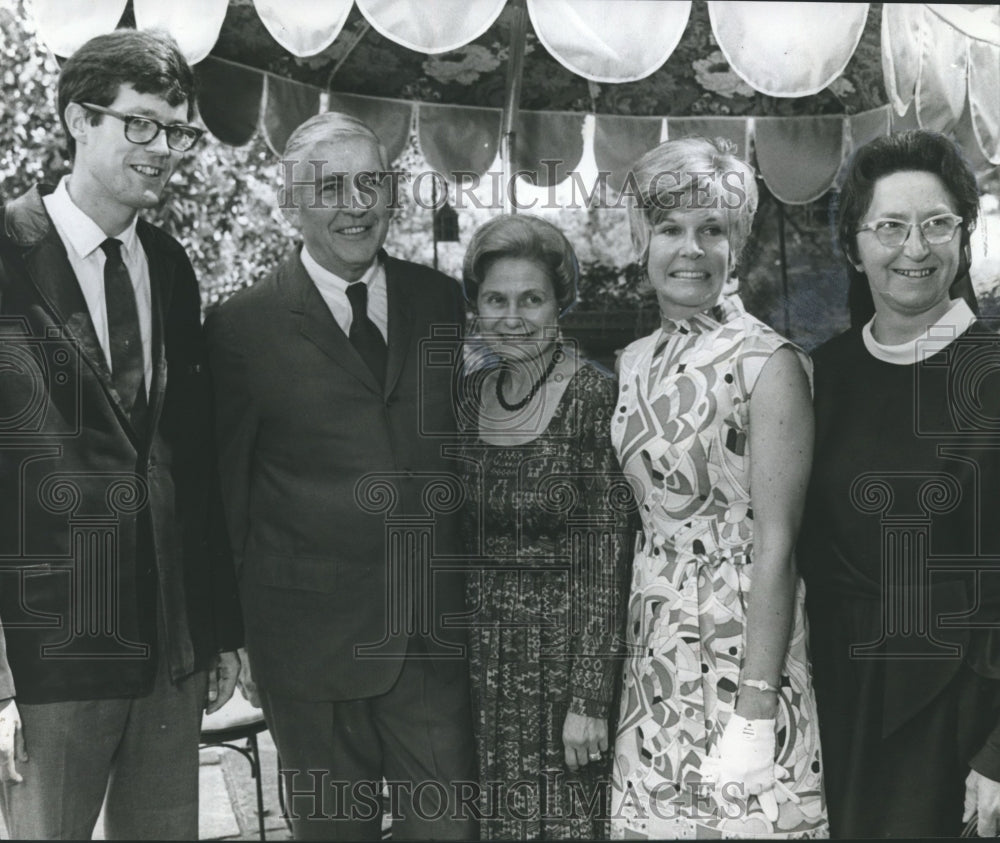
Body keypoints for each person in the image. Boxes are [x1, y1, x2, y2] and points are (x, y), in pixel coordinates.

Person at [206, 112, 476, 841]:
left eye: (371, 182)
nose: (356, 204)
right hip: (307, 649)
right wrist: (228, 636)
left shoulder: (441, 302)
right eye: (331, 187)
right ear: (291, 204)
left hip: (428, 638)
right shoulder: (241, 328)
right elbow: (226, 497)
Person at [0, 29, 242, 839]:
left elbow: (190, 458)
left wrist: (215, 630)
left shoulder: (170, 265)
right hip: (45, 653)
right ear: (78, 118)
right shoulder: (5, 252)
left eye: (176, 131)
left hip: (169, 644)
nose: (163, 149)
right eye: (140, 124)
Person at [608, 137, 828, 838]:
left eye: (713, 229)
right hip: (655, 657)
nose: (690, 249)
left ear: (739, 242)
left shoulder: (770, 362)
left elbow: (780, 544)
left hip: (744, 654)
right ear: (643, 239)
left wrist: (756, 709)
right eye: (670, 228)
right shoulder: (633, 361)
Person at [799, 129, 1000, 838]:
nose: (914, 248)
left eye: (937, 223)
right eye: (889, 226)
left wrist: (998, 753)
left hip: (959, 703)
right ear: (854, 247)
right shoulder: (823, 374)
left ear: (963, 235)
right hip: (837, 694)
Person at [458, 214, 633, 838]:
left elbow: (606, 560)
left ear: (561, 304)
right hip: (479, 657)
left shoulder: (592, 396)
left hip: (559, 660)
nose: (512, 317)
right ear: (475, 308)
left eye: (531, 299)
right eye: (495, 299)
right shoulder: (468, 394)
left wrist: (589, 698)